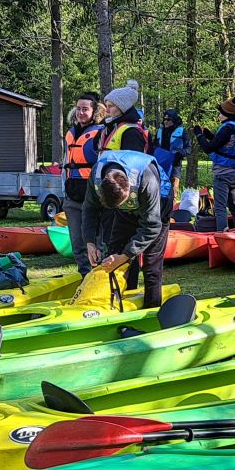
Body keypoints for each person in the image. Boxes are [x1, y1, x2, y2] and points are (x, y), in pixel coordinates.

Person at [89, 148, 166, 308]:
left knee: (151, 264)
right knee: (113, 255)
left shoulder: (147, 180)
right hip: (126, 213)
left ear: (128, 189)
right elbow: (89, 208)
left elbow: (152, 226)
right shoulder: (96, 175)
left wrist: (125, 256)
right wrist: (90, 242)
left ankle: (152, 309)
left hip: (159, 207)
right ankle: (117, 305)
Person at [62, 92, 103, 274]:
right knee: (77, 243)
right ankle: (84, 278)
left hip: (92, 194)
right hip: (72, 194)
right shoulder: (70, 133)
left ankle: (101, 280)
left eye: (85, 109)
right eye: (78, 109)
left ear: (94, 111)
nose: (80, 112)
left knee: (96, 242)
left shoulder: (101, 133)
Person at [194, 97, 235, 231]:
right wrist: (208, 135)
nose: (218, 116)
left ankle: (222, 234)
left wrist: (199, 135)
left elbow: (208, 148)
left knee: (220, 208)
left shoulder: (227, 128)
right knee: (234, 206)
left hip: (222, 173)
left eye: (220, 113)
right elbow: (224, 145)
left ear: (226, 114)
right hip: (234, 172)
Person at [153, 108, 190, 207]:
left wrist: (180, 152)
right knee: (159, 187)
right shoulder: (160, 131)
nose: (165, 121)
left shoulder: (182, 131)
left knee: (174, 188)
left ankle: (171, 212)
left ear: (174, 120)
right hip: (160, 164)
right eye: (164, 119)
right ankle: (159, 209)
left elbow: (188, 149)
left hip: (175, 164)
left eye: (168, 119)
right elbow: (153, 146)